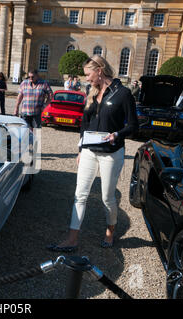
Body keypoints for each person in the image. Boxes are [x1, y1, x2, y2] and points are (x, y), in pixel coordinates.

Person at [46, 55, 138, 253]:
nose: (86, 79)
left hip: (111, 153)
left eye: (88, 74)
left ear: (100, 70)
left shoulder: (123, 94)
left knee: (107, 197)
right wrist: (81, 149)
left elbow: (133, 126)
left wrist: (117, 135)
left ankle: (110, 231)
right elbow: (84, 124)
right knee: (80, 195)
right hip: (89, 150)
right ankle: (72, 239)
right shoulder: (91, 91)